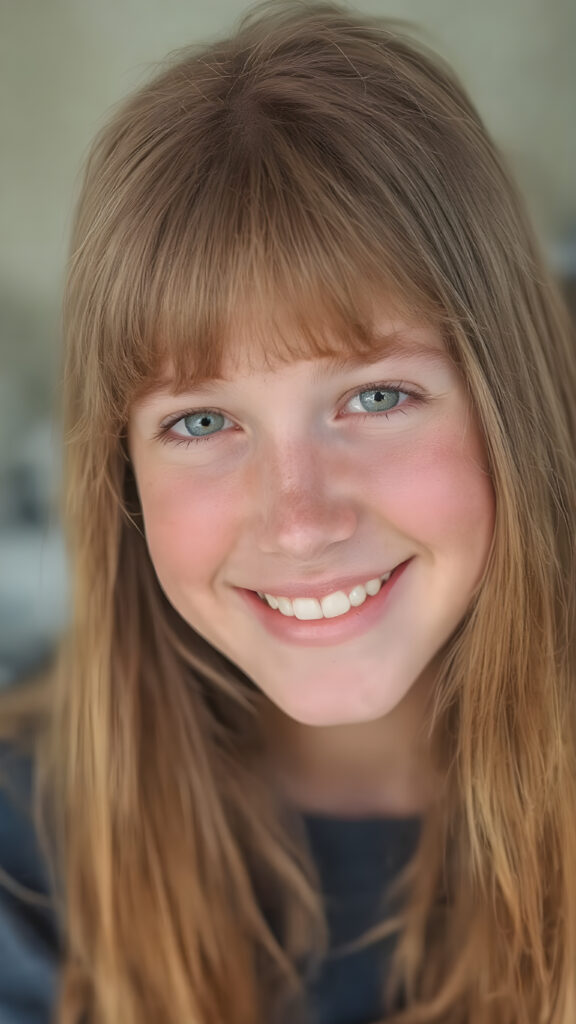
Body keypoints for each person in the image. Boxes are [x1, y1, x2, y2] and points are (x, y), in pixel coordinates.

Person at [1, 2, 576, 1021]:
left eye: (376, 397)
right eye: (204, 420)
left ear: (508, 402)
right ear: (119, 476)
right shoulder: (22, 860)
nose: (299, 519)